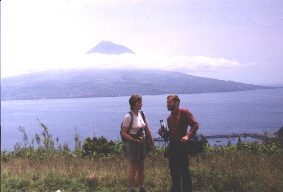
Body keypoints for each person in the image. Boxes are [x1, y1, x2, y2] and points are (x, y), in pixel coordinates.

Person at [162, 94, 199, 192]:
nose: (168, 105)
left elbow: (195, 125)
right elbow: (171, 134)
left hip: (182, 146)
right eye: (167, 103)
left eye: (169, 103)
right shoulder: (169, 118)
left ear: (176, 102)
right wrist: (164, 134)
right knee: (174, 173)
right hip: (173, 147)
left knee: (184, 172)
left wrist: (188, 135)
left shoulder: (184, 112)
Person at [121, 94, 154, 192]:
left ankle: (141, 187)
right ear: (133, 103)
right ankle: (131, 188)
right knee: (133, 166)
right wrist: (134, 139)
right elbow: (123, 133)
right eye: (139, 102)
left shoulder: (142, 114)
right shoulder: (128, 116)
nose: (141, 104)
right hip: (133, 143)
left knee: (141, 165)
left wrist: (151, 140)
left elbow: (146, 129)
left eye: (141, 102)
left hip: (142, 141)